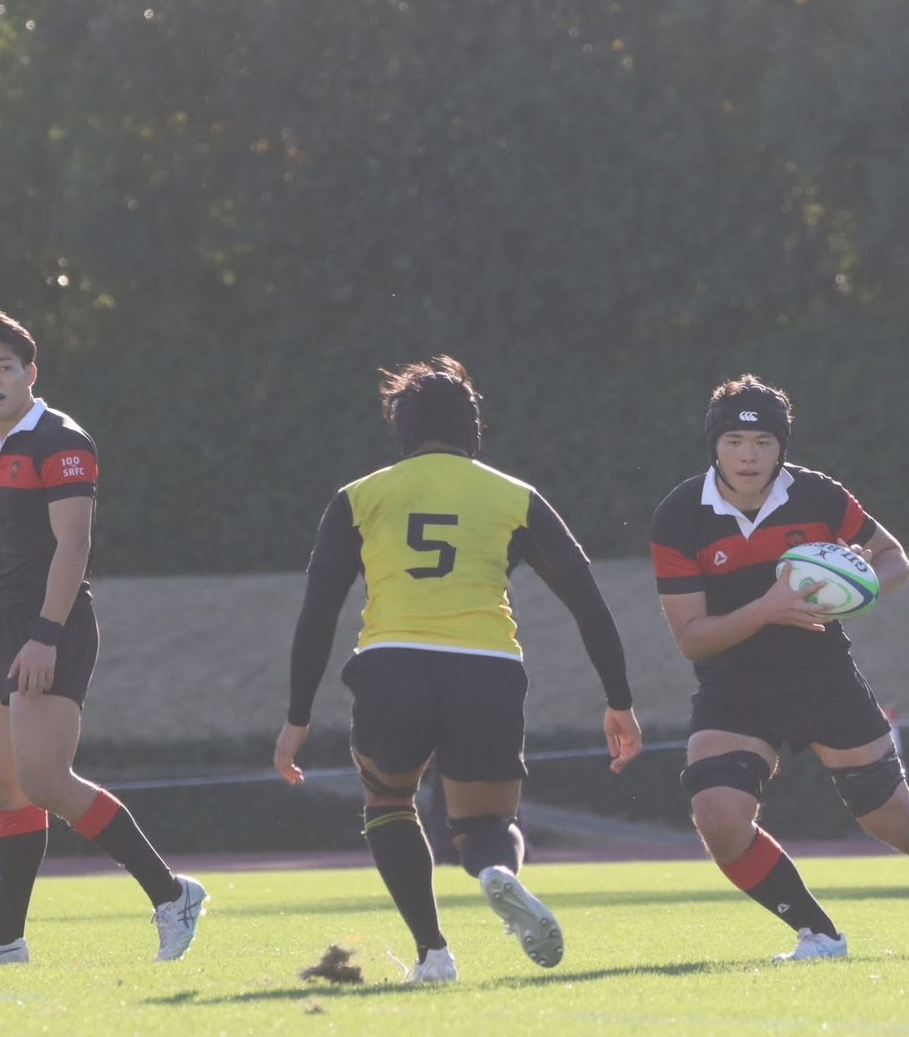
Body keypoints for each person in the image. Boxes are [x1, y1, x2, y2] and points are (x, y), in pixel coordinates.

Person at [274, 356, 643, 985]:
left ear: (402, 426)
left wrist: (297, 716)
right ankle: (497, 871)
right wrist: (619, 699)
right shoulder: (513, 496)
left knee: (389, 801)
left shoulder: (359, 497)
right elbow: (587, 601)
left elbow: (318, 613)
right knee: (488, 824)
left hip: (392, 665)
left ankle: (433, 954)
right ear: (473, 426)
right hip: (487, 669)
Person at [648, 374, 909, 961]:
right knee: (718, 817)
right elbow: (693, 639)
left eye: (763, 443)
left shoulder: (818, 496)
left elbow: (894, 559)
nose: (748, 456)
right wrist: (767, 608)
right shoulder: (680, 515)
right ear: (714, 446)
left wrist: (857, 585)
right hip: (733, 687)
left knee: (896, 820)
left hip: (822, 676)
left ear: (781, 446)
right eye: (734, 442)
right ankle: (820, 936)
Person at [0, 311, 206, 967]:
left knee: (46, 779)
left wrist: (46, 634)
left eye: (4, 367)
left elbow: (74, 544)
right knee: (8, 785)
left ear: (31, 372)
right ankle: (5, 940)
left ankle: (173, 895)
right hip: (8, 622)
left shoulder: (59, 437)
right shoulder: (4, 446)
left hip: (51, 625)